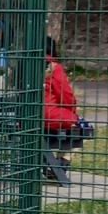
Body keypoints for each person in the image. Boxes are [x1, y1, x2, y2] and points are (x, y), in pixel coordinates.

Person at [44, 39, 79, 176]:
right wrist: (72, 112)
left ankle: (51, 165)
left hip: (26, 116)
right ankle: (61, 164)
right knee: (79, 126)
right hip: (49, 115)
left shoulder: (23, 64)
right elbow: (66, 95)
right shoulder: (53, 67)